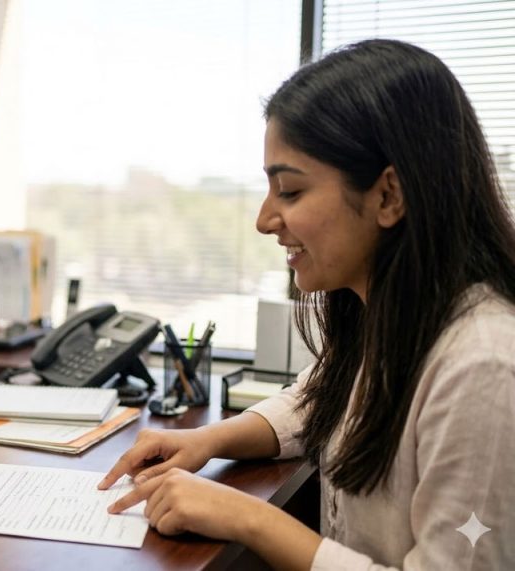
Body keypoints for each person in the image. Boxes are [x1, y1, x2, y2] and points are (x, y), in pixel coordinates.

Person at [99, 39, 515, 569]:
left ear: (388, 196)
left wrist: (249, 517)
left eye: (290, 192)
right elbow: (321, 399)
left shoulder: (483, 366)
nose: (265, 219)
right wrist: (207, 440)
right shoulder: (389, 313)